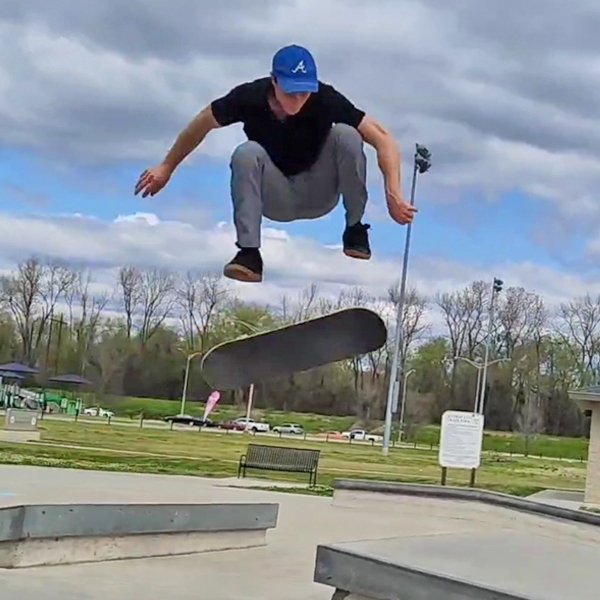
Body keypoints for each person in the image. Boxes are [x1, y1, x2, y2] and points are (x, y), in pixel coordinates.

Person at [134, 44, 416, 283]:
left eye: (304, 93)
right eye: (291, 92)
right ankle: (249, 253)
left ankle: (355, 228)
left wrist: (393, 194)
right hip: (274, 196)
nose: (298, 100)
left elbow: (382, 138)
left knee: (348, 135)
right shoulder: (248, 97)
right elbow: (200, 124)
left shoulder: (325, 98)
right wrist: (166, 167)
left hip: (319, 192)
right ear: (274, 81)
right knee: (246, 152)